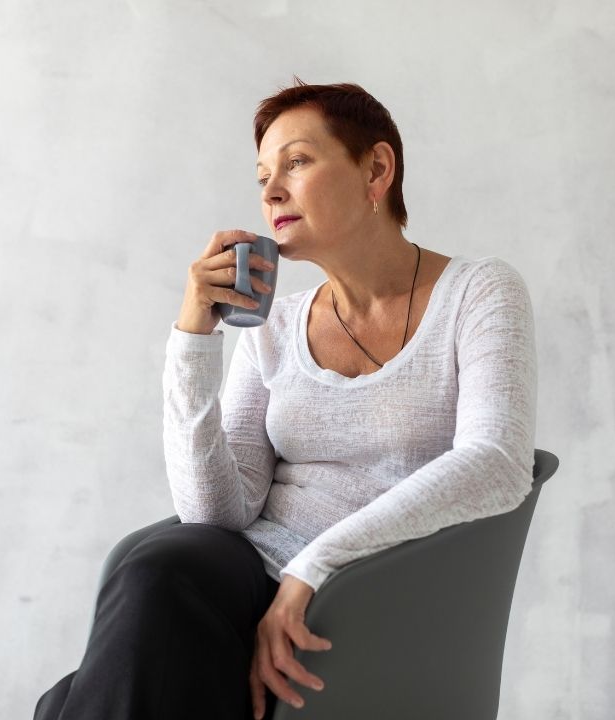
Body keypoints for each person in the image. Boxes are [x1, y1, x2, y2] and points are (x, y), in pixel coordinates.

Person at [34, 79, 537, 720]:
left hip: (380, 589)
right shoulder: (273, 325)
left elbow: (496, 464)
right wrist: (193, 338)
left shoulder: (479, 292)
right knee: (158, 566)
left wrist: (314, 568)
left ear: (376, 169)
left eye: (297, 162)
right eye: (264, 174)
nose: (272, 190)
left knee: (108, 678)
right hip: (255, 573)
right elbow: (216, 512)